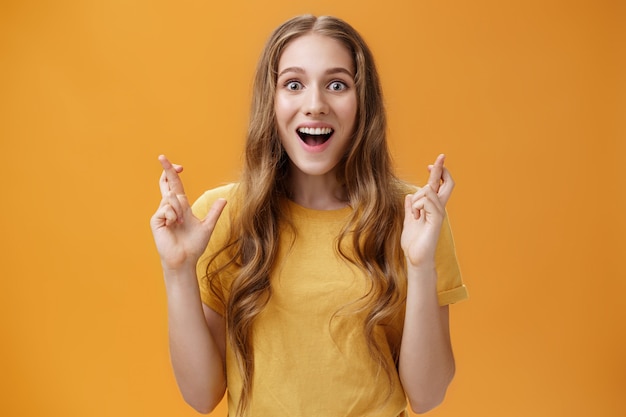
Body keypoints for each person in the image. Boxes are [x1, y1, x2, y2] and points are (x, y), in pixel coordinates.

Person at [150, 14, 468, 417]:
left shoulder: (415, 216)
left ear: (362, 103)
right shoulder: (222, 217)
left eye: (337, 84)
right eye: (294, 84)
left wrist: (420, 267)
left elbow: (428, 396)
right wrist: (178, 269)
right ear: (272, 100)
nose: (315, 104)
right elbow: (201, 395)